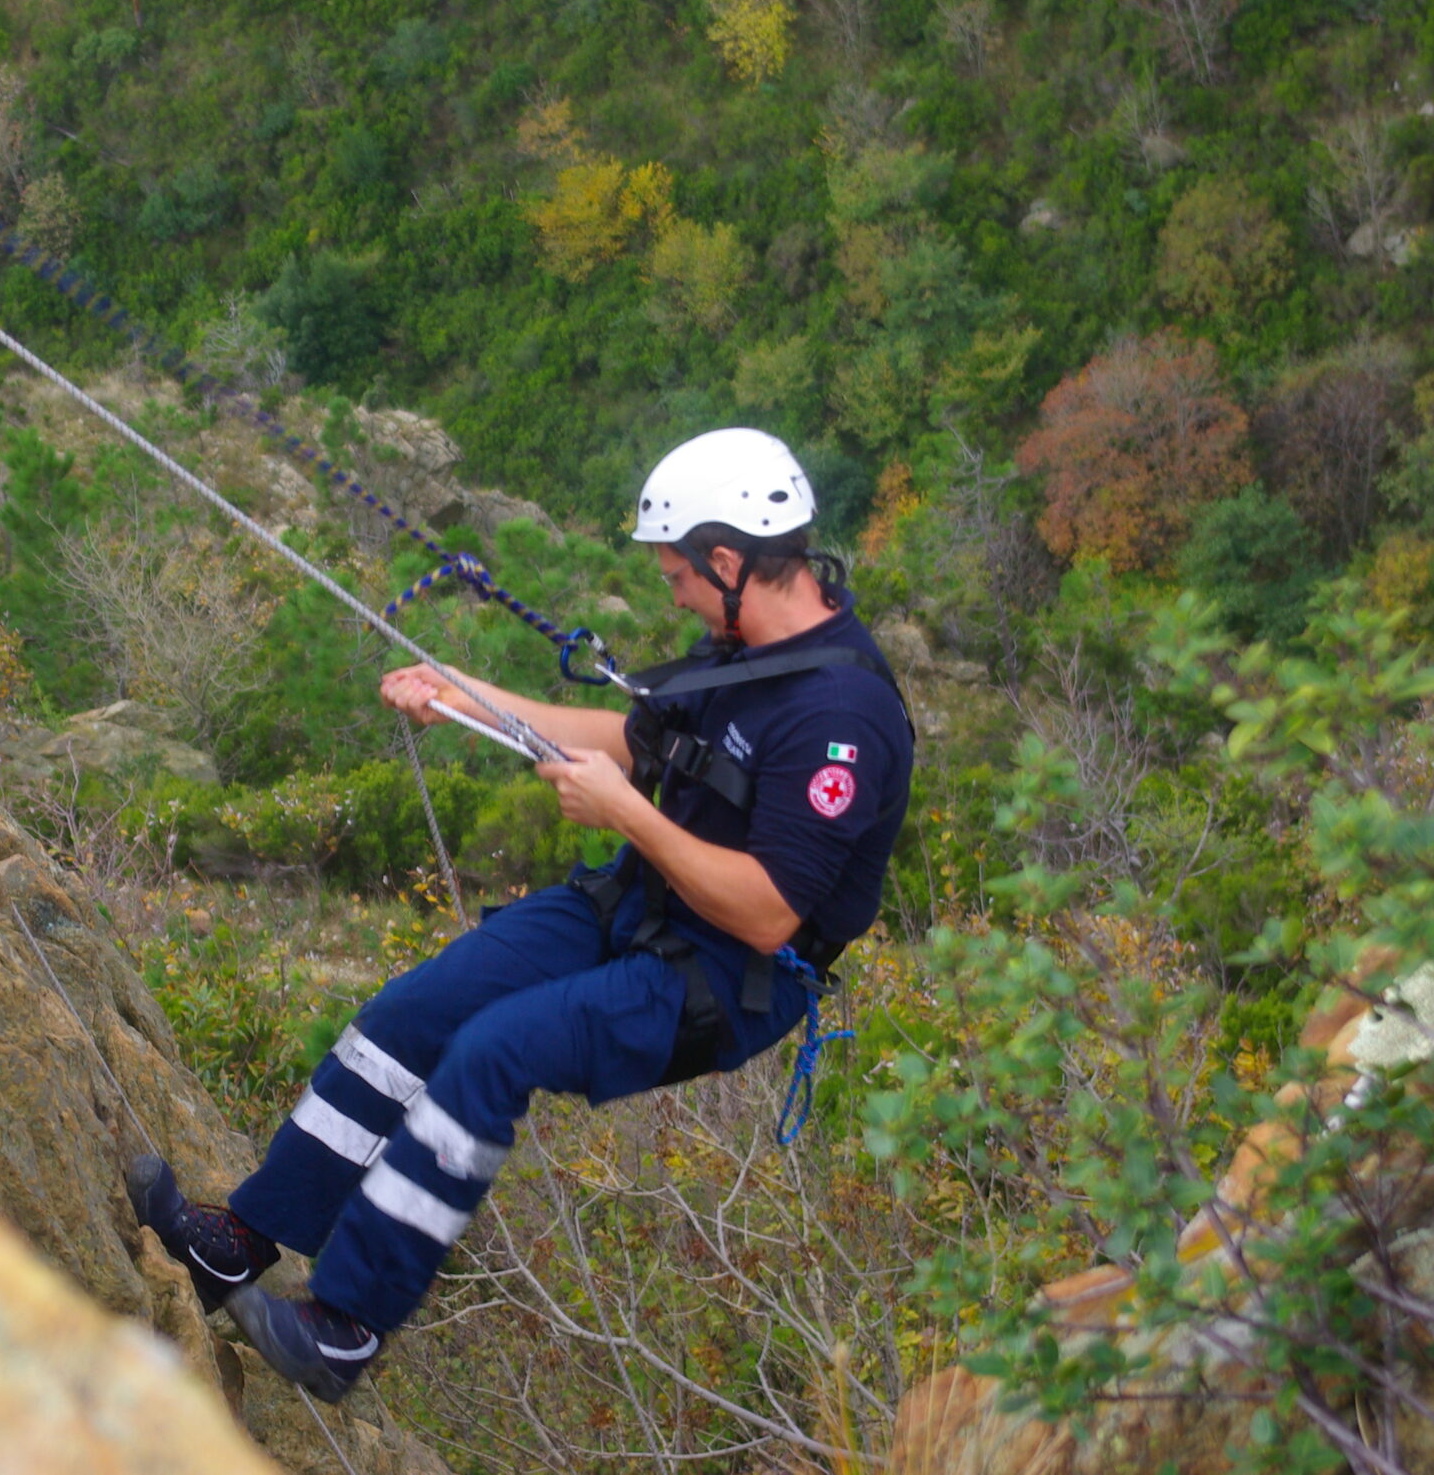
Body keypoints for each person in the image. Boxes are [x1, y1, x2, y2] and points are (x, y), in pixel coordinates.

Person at [127, 427, 914, 1401]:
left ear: (730, 560)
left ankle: (344, 1326)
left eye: (677, 574)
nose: (670, 592)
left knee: (492, 1051)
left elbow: (766, 914)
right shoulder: (739, 651)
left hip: (723, 976)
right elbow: (621, 736)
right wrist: (463, 691)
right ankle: (238, 1242)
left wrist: (626, 813)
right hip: (640, 903)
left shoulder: (842, 717)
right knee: (417, 1012)